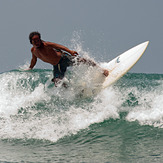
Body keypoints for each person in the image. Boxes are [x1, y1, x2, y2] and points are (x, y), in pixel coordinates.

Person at [27, 31, 109, 86]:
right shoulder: (33, 51)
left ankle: (102, 70)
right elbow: (34, 60)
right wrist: (30, 68)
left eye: (38, 40)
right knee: (57, 81)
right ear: (31, 42)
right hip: (57, 66)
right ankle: (72, 91)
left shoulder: (46, 45)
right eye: (35, 41)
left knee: (82, 60)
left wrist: (70, 51)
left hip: (64, 59)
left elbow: (59, 46)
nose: (37, 42)